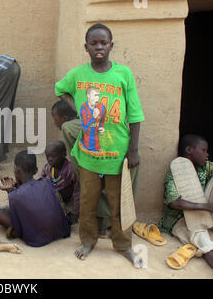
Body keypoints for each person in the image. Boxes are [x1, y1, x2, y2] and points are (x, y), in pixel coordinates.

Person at [55, 23, 145, 268]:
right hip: (89, 155)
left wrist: (133, 149)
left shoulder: (123, 74)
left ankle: (123, 244)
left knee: (119, 203)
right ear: (86, 47)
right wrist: (77, 108)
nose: (98, 47)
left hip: (118, 154)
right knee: (88, 201)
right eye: (93, 43)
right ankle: (88, 240)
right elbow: (60, 89)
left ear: (111, 46)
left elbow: (135, 115)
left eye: (103, 43)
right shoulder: (78, 74)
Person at [52, 99, 141, 238]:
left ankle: (105, 227)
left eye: (55, 118)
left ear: (65, 118)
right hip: (118, 156)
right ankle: (107, 226)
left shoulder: (71, 127)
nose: (54, 123)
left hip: (118, 157)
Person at [0, 150, 70, 247]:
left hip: (37, 240)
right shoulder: (46, 182)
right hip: (61, 232)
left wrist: (10, 192)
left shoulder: (15, 195)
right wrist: (14, 190)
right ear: (36, 170)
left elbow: (17, 223)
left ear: (17, 170)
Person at [158, 134, 213, 268]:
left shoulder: (204, 167)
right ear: (189, 150)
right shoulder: (176, 170)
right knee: (201, 238)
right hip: (178, 220)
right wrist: (206, 207)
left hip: (203, 213)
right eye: (203, 150)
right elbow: (174, 202)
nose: (207, 155)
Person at [40, 141, 80, 225]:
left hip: (67, 201)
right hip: (52, 198)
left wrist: (74, 213)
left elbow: (78, 192)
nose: (50, 159)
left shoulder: (71, 170)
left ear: (64, 154)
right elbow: (40, 183)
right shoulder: (47, 168)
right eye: (48, 156)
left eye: (53, 156)